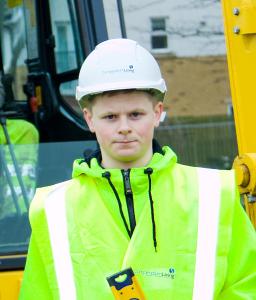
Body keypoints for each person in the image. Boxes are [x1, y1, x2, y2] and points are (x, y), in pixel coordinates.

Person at [19, 39, 256, 299]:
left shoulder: (213, 195)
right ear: (89, 119)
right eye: (110, 117)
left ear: (157, 113)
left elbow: (246, 285)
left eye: (135, 114)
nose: (124, 127)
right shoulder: (54, 210)